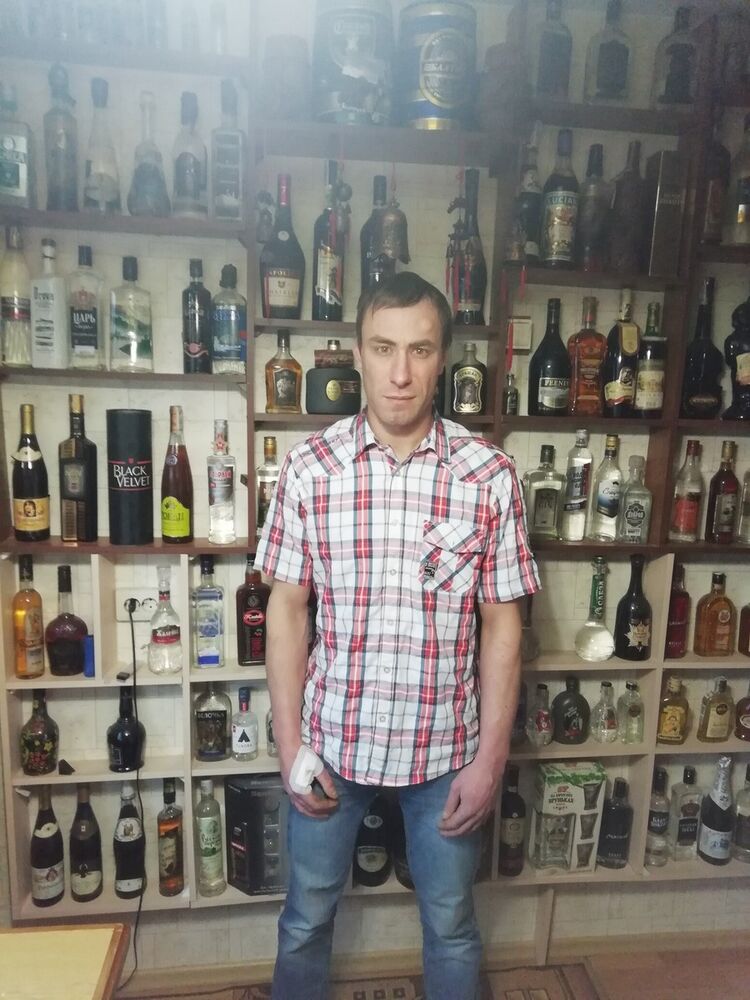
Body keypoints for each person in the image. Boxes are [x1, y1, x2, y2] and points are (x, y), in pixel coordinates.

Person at [256, 272, 540, 1000]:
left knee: (451, 923)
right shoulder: (309, 469)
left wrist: (490, 762)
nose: (401, 372)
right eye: (383, 348)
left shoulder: (489, 475)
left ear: (444, 358)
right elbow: (287, 610)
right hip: (331, 745)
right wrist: (289, 747)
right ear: (356, 353)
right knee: (305, 919)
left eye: (420, 349)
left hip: (444, 751)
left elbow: (503, 626)